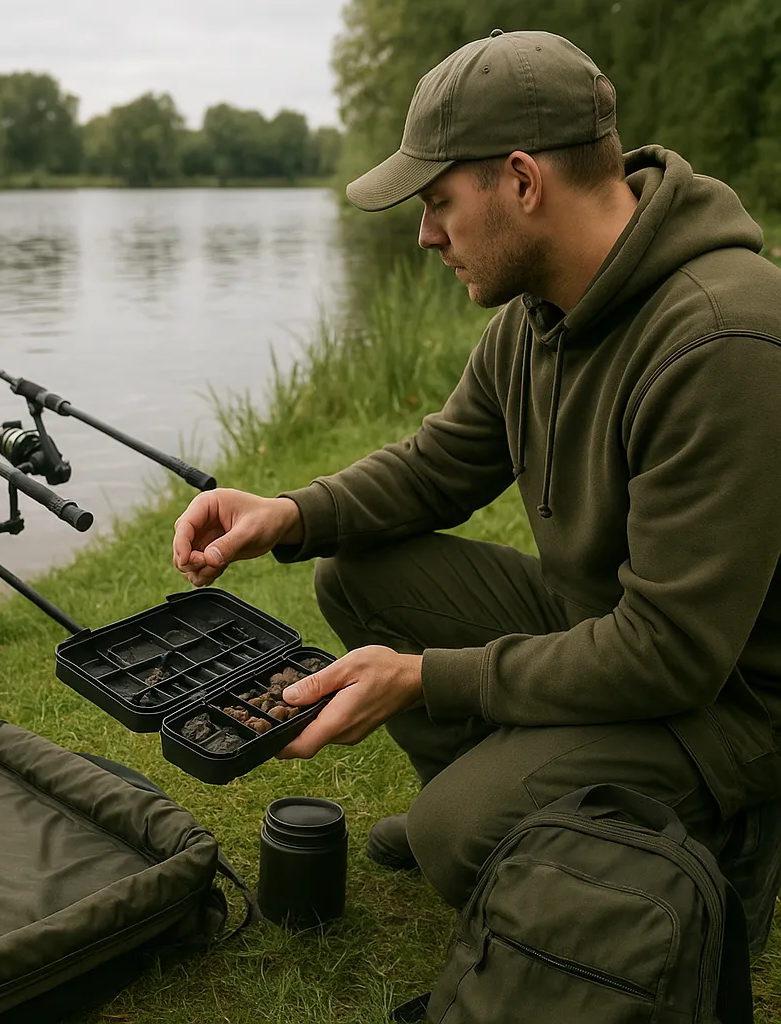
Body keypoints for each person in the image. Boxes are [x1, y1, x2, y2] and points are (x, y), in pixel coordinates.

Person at [171, 29, 781, 955]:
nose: (424, 234)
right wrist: (289, 515)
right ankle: (508, 794)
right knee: (354, 573)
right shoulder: (542, 312)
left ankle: (685, 852)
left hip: (730, 706)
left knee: (461, 839)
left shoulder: (722, 340)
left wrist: (424, 677)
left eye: (439, 202)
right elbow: (435, 466)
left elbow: (672, 654)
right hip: (601, 623)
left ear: (524, 182)